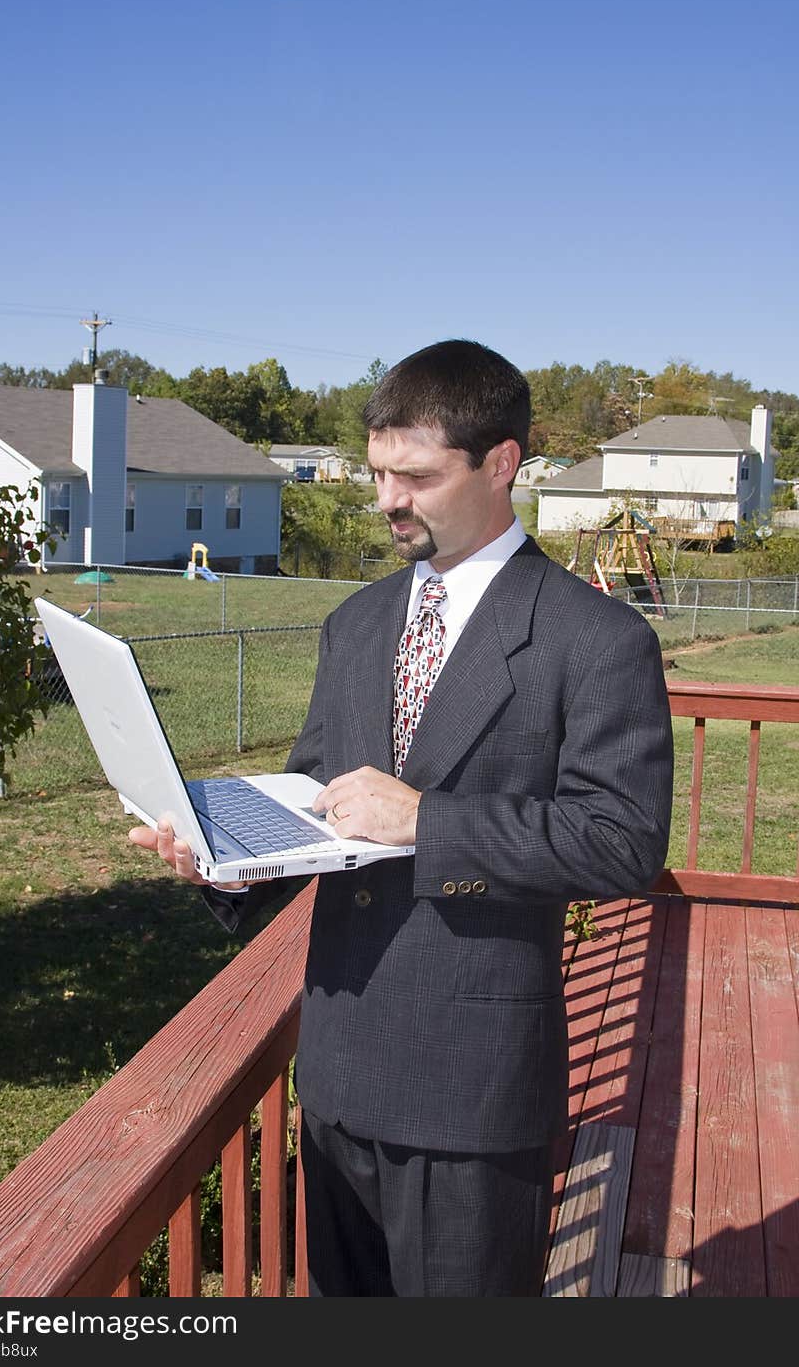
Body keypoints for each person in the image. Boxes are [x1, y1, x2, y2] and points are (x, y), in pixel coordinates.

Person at [130, 339, 674, 1296]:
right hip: (336, 1067)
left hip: (474, 1090)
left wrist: (430, 821)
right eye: (378, 473)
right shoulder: (358, 624)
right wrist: (225, 858)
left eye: (415, 477)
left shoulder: (598, 640)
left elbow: (622, 839)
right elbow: (317, 800)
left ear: (500, 463)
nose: (387, 500)